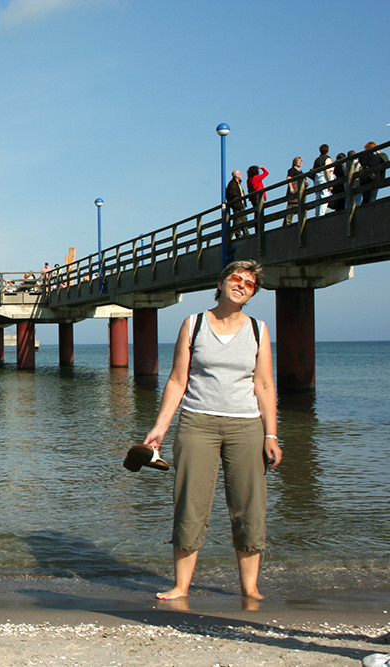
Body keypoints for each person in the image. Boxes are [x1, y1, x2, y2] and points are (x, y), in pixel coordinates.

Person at [140, 259, 281, 602]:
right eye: (236, 278)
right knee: (190, 503)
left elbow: (264, 385)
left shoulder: (258, 330)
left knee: (249, 506)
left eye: (249, 284)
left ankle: (250, 588)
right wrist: (160, 427)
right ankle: (181, 587)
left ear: (251, 294)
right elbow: (177, 380)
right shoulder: (194, 324)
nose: (241, 285)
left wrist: (271, 435)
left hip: (246, 426)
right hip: (196, 423)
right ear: (220, 282)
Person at [312, 144, 335, 217]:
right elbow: (328, 171)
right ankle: (321, 214)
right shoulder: (328, 159)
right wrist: (330, 183)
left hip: (317, 179)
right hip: (324, 178)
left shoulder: (317, 160)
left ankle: (317, 214)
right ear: (327, 151)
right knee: (325, 197)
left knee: (318, 197)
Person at [226, 170, 247, 236]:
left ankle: (240, 232)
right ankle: (242, 233)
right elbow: (233, 193)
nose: (241, 174)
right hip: (238, 204)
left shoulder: (237, 183)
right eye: (239, 173)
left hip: (239, 203)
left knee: (240, 219)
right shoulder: (233, 184)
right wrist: (237, 200)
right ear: (235, 175)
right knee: (240, 219)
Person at [285, 156, 304, 224]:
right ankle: (288, 222)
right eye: (299, 161)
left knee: (300, 205)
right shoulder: (292, 170)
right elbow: (289, 179)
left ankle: (301, 220)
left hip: (299, 190)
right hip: (294, 189)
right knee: (291, 206)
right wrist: (291, 188)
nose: (301, 162)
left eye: (301, 161)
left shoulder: (300, 171)